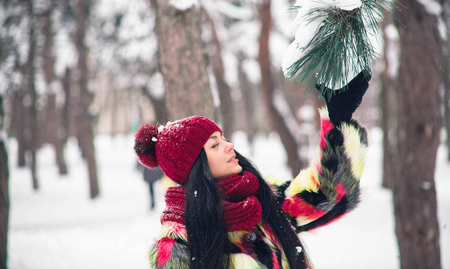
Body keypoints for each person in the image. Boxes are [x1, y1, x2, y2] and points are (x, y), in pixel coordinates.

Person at [134, 72, 370, 269]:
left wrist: (339, 122)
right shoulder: (177, 245)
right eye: (215, 145)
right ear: (196, 168)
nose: (229, 146)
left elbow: (326, 196)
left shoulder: (260, 198)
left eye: (223, 138)